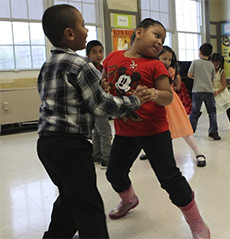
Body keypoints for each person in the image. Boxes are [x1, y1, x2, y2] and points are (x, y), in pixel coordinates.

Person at [37, 5, 152, 239]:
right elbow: (101, 106)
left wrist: (97, 90)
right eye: (82, 25)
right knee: (89, 205)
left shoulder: (47, 65)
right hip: (71, 147)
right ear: (70, 34)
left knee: (70, 197)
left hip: (47, 145)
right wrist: (135, 100)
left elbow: (63, 99)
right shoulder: (81, 64)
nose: (87, 30)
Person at [103, 18, 210, 239]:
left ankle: (196, 222)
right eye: (156, 35)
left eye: (163, 39)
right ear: (139, 32)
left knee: (170, 178)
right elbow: (105, 82)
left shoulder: (156, 65)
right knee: (114, 173)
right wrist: (102, 86)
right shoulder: (113, 57)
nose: (160, 42)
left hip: (154, 131)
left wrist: (153, 94)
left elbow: (167, 96)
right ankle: (129, 199)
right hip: (125, 130)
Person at [140, 46, 206, 167]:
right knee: (152, 130)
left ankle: (198, 152)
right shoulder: (152, 67)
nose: (167, 62)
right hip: (155, 102)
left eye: (169, 59)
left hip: (170, 102)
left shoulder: (168, 70)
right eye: (164, 58)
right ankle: (149, 151)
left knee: (183, 128)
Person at [86, 40, 113, 169]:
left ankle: (96, 155)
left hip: (97, 104)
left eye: (101, 51)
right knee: (106, 132)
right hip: (97, 105)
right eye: (94, 52)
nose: (98, 55)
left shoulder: (101, 67)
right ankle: (107, 158)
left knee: (97, 131)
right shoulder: (91, 69)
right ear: (88, 55)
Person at [188, 42, 221, 140]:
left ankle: (190, 130)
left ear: (200, 52)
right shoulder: (211, 65)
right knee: (212, 112)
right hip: (209, 91)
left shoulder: (195, 62)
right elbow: (212, 79)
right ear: (210, 54)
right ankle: (213, 131)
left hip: (197, 91)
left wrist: (197, 77)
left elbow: (189, 75)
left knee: (195, 111)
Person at [210, 53, 230, 134]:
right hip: (211, 91)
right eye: (214, 62)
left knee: (228, 106)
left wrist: (217, 91)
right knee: (203, 108)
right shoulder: (209, 70)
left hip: (221, 91)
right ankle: (192, 126)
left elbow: (224, 85)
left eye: (217, 63)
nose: (215, 65)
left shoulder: (221, 71)